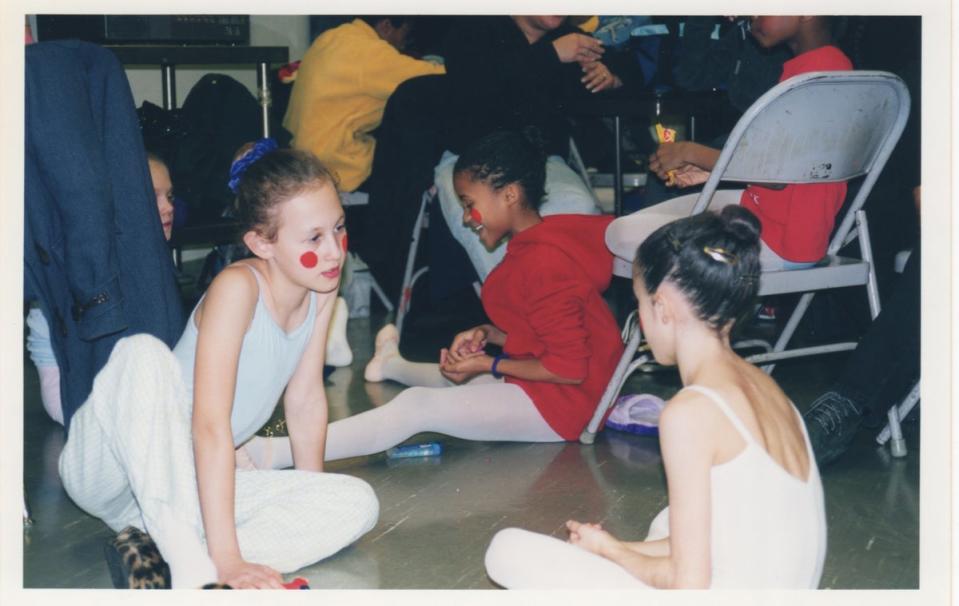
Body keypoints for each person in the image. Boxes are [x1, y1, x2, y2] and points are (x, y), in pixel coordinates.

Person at [57, 144, 379, 589]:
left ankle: (161, 555)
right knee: (143, 354)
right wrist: (229, 559)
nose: (333, 252)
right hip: (114, 470)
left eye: (338, 228)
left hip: (185, 485)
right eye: (313, 238)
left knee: (357, 503)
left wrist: (311, 494)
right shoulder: (238, 289)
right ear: (260, 242)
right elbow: (209, 425)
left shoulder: (320, 291)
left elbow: (304, 400)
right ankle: (200, 565)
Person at [236, 129, 623, 468]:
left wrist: (489, 363)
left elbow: (570, 367)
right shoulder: (542, 244)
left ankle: (273, 455)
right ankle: (391, 364)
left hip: (568, 407)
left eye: (470, 204)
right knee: (461, 384)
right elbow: (549, 334)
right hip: (564, 394)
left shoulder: (543, 261)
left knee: (419, 407)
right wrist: (489, 335)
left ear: (509, 195)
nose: (468, 218)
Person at [485, 205, 826, 589]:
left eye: (640, 302)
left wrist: (612, 553)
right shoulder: (766, 388)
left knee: (505, 549)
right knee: (667, 521)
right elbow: (725, 537)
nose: (640, 318)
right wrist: (608, 546)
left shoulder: (691, 412)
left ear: (661, 307)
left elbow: (688, 585)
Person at [607, 15, 853, 272]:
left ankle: (680, 308)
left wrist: (690, 151)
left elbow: (778, 174)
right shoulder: (832, 65)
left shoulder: (810, 78)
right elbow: (792, 166)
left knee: (618, 235)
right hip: (780, 223)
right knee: (636, 227)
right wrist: (713, 166)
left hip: (780, 240)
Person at [434, 16, 631, 280]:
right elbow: (477, 89)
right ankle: (516, 311)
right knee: (490, 216)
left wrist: (612, 77)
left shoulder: (570, 38)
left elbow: (627, 64)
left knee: (579, 205)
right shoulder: (472, 27)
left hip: (540, 161)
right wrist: (550, 55)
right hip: (469, 160)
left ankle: (561, 306)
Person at [26, 152, 175, 426]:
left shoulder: (153, 268)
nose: (168, 207)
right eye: (153, 196)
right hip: (77, 399)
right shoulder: (90, 271)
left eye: (170, 196)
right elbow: (68, 401)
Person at [283, 16, 445, 193]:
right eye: (404, 33)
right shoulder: (369, 52)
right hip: (334, 166)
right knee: (417, 165)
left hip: (297, 155)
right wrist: (435, 59)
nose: (403, 44)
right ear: (386, 25)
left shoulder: (332, 37)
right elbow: (434, 76)